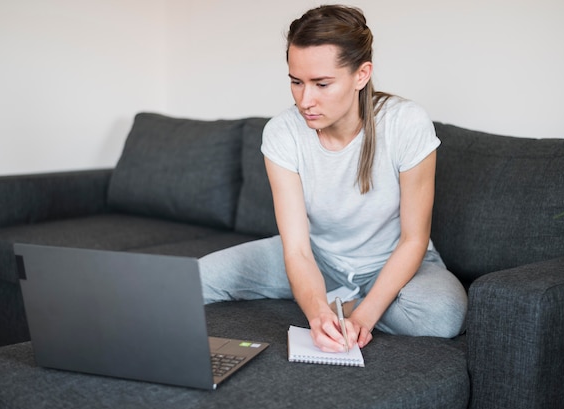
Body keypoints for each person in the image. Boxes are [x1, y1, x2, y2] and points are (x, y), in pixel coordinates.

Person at [199, 4, 467, 353]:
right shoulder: (282, 133)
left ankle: (348, 303)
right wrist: (316, 315)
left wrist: (362, 318)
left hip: (394, 265)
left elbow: (414, 240)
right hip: (316, 257)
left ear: (361, 74)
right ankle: (326, 300)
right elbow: (295, 249)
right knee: (194, 280)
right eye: (296, 82)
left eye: (321, 84)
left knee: (442, 313)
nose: (305, 100)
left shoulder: (406, 123)